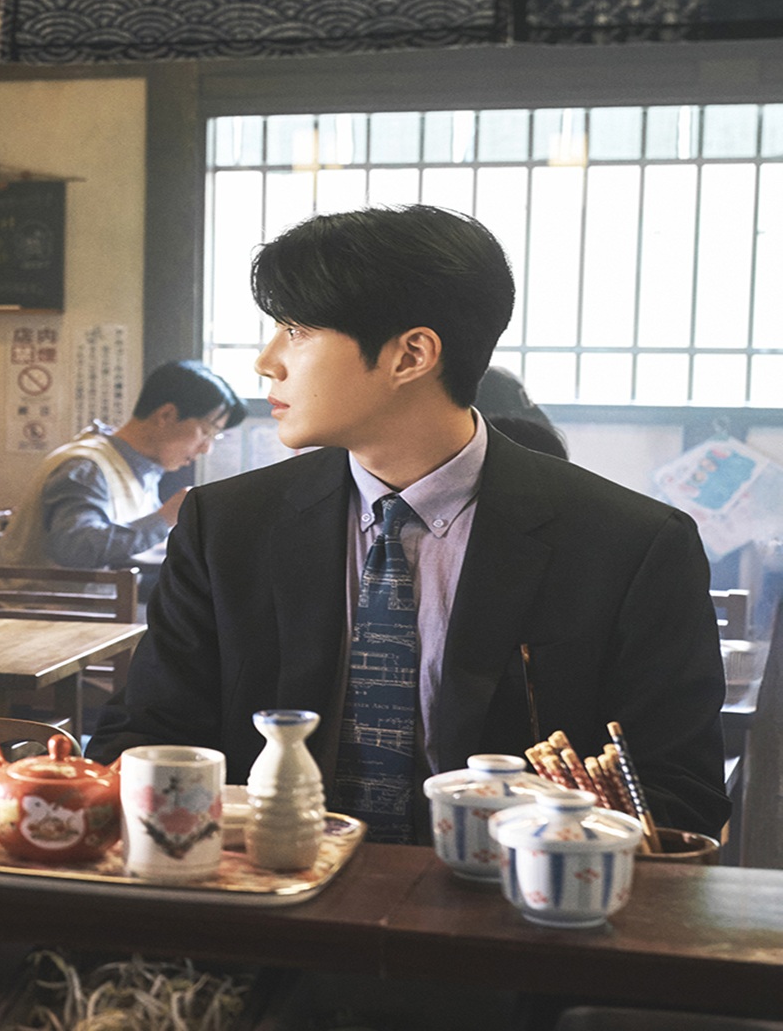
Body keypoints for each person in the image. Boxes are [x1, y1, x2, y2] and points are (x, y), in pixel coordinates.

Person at [87, 205, 729, 844]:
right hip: (266, 889)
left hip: (503, 901)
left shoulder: (630, 546)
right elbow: (144, 738)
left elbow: (678, 796)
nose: (267, 361)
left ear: (411, 355)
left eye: (297, 330)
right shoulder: (226, 526)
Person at [0, 360, 247, 571]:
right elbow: (75, 549)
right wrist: (165, 518)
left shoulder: (140, 467)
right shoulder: (86, 467)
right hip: (40, 610)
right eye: (206, 431)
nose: (206, 448)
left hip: (98, 606)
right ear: (166, 415)